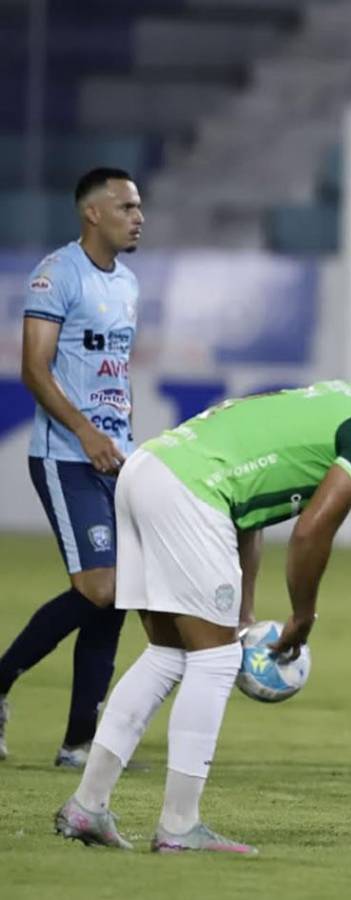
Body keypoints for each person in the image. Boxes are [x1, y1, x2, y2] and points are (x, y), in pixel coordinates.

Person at [55, 333, 351, 854]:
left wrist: (242, 610)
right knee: (216, 661)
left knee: (170, 653)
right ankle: (178, 826)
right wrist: (303, 615)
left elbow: (251, 515)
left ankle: (87, 806)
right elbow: (312, 530)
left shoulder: (331, 398)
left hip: (149, 469)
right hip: (189, 491)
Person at [0, 168, 142, 767]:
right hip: (65, 455)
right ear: (93, 213)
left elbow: (113, 374)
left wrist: (119, 442)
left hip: (115, 455)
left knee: (119, 597)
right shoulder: (58, 275)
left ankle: (80, 742)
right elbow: (35, 369)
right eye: (127, 206)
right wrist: (85, 433)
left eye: (139, 208)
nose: (139, 216)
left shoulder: (129, 283)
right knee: (100, 587)